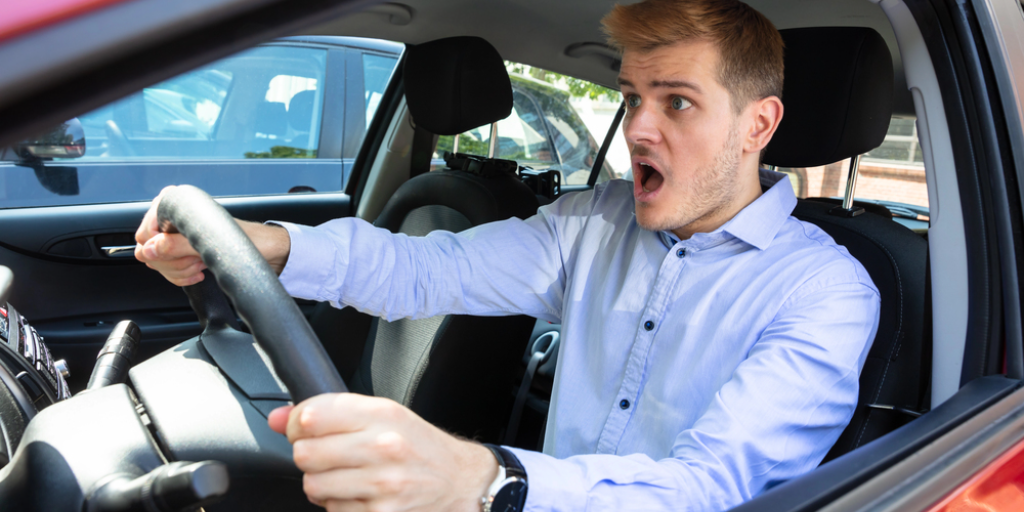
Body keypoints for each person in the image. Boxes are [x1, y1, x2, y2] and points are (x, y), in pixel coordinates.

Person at [134, 0, 880, 510]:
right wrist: (270, 246)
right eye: (632, 98)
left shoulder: (823, 292)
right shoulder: (593, 223)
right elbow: (426, 269)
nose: (639, 130)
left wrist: (483, 478)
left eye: (677, 102)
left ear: (758, 126)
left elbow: (711, 489)